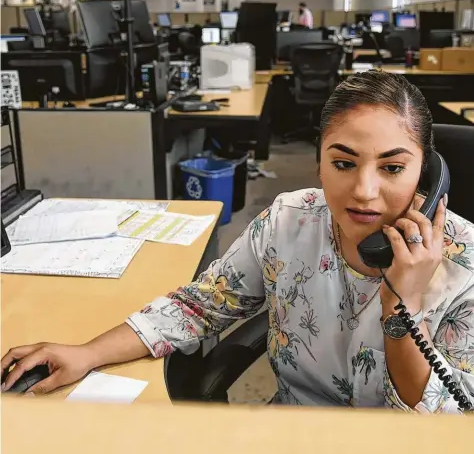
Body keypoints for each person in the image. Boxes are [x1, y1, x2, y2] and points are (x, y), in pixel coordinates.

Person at [2, 71, 474, 412]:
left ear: (426, 174)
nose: (365, 191)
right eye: (343, 163)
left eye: (392, 167)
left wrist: (403, 306)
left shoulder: (465, 264)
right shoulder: (291, 220)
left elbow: (446, 422)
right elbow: (199, 306)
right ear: (318, 162)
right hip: (288, 433)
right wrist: (86, 352)